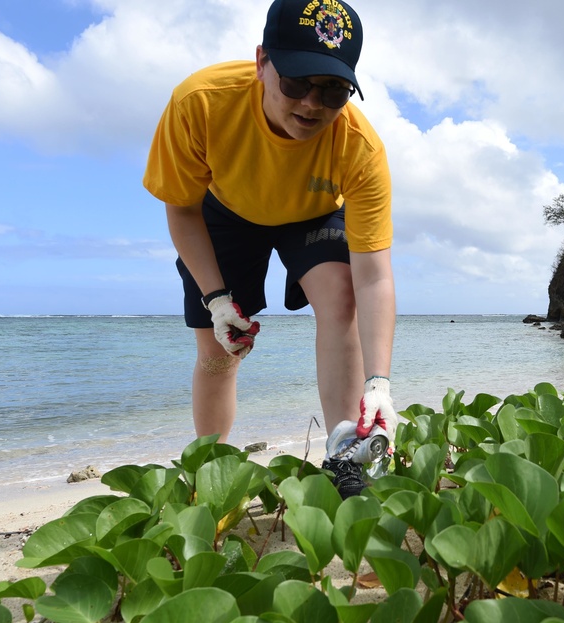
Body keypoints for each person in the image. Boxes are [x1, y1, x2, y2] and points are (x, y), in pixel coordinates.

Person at [142, 0, 397, 498]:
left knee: (341, 299)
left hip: (313, 211)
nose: (311, 105)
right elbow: (182, 209)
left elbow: (374, 277)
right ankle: (208, 472)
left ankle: (345, 457)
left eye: (333, 91)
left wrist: (380, 384)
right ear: (262, 62)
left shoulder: (359, 148)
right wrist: (216, 301)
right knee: (219, 352)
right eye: (296, 83)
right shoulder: (200, 102)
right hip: (224, 209)